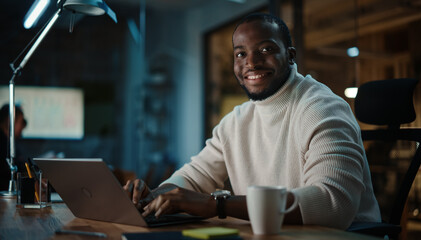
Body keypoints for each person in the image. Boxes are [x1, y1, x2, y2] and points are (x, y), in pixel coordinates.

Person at [124, 13, 381, 229]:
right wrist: (154, 196)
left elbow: (332, 204)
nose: (251, 62)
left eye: (266, 49)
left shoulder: (321, 108)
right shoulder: (236, 121)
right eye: (240, 54)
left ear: (290, 56)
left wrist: (217, 205)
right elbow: (194, 177)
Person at [0, 104, 27, 191]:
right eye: (21, 122)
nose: (23, 127)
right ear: (10, 121)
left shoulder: (11, 142)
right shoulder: (4, 145)